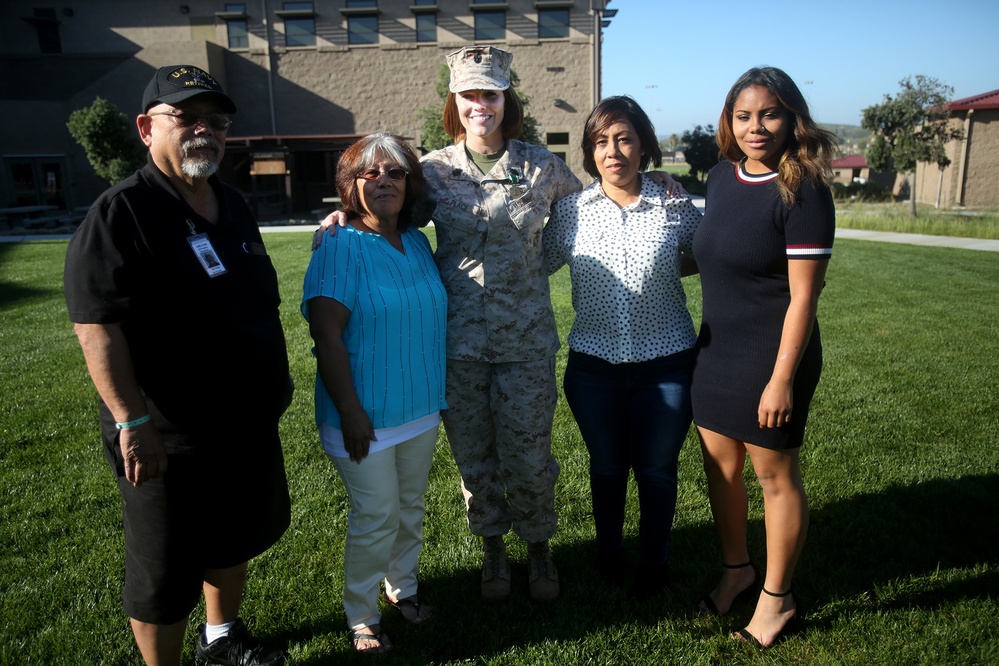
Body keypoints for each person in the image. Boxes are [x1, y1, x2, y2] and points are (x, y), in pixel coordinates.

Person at [64, 65, 291, 666]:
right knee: (162, 571)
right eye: (185, 117)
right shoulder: (122, 214)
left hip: (242, 423)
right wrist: (130, 424)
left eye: (216, 121)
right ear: (146, 127)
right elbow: (96, 326)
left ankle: (222, 640)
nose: (205, 131)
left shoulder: (234, 205)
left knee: (231, 537)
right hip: (167, 435)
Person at [691, 66, 836, 649]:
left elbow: (805, 296)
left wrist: (781, 380)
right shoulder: (721, 178)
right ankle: (737, 573)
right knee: (719, 468)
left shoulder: (804, 189)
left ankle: (778, 600)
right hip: (715, 351)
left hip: (772, 357)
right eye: (744, 115)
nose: (756, 127)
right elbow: (715, 251)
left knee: (774, 476)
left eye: (769, 114)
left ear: (791, 118)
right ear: (729, 120)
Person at [543, 96, 702, 601]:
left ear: (643, 146)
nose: (613, 151)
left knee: (657, 469)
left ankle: (654, 561)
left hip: (669, 365)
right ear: (591, 153)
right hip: (594, 369)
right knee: (608, 467)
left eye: (624, 138)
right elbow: (528, 261)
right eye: (601, 141)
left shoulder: (674, 205)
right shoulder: (570, 212)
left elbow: (713, 254)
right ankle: (609, 552)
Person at [301, 133, 447, 654]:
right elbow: (327, 335)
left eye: (395, 172)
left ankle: (402, 588)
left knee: (410, 507)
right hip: (363, 415)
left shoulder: (418, 244)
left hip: (422, 406)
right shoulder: (338, 244)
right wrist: (350, 411)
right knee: (377, 514)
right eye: (369, 172)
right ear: (350, 184)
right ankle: (361, 613)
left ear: (409, 184)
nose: (383, 180)